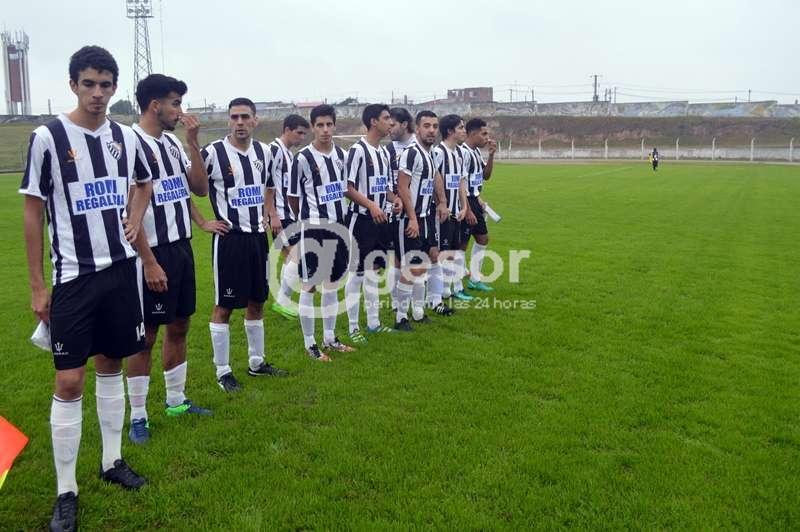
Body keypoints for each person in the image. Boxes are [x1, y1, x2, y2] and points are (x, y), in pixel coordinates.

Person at [21, 45, 153, 531]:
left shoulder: (125, 136)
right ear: (73, 84)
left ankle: (112, 461)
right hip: (74, 277)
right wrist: (38, 285)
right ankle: (66, 490)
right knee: (69, 380)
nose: (97, 93)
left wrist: (135, 218)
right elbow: (33, 212)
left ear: (115, 87)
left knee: (111, 363)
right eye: (89, 83)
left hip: (121, 273)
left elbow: (144, 184)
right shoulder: (48, 137)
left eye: (105, 84)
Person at [124, 74, 221, 444]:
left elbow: (195, 189)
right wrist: (148, 261)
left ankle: (176, 402)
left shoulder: (172, 143)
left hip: (181, 249)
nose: (181, 111)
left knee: (180, 325)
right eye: (176, 103)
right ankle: (138, 417)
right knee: (146, 335)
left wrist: (193, 143)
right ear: (155, 105)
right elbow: (129, 211)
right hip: (151, 252)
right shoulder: (130, 143)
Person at [203, 97, 288, 393]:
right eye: (234, 117)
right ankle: (223, 371)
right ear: (229, 120)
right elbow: (187, 186)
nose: (239, 122)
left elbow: (269, 186)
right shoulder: (212, 153)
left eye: (245, 117)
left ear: (255, 120)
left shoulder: (265, 152)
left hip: (257, 238)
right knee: (224, 306)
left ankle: (256, 362)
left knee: (257, 301)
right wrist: (203, 222)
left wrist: (271, 212)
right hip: (230, 240)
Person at [288, 104, 355, 360]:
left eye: (329, 124)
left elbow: (344, 189)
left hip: (339, 227)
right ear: (313, 127)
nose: (325, 129)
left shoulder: (342, 155)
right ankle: (310, 344)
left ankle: (330, 338)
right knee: (310, 286)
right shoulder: (302, 158)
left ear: (334, 126)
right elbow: (293, 197)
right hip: (314, 229)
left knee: (332, 284)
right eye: (320, 125)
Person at [343, 104, 403, 344]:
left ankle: (374, 323)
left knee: (374, 271)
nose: (391, 123)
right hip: (360, 220)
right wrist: (371, 205)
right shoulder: (357, 151)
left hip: (380, 219)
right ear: (373, 121)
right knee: (357, 273)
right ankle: (353, 328)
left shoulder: (384, 153)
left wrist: (395, 199)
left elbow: (384, 187)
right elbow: (347, 188)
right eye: (386, 118)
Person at [394, 110, 449, 330]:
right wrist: (412, 218)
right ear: (417, 128)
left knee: (423, 266)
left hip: (426, 217)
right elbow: (402, 187)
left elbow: (435, 178)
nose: (431, 130)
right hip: (411, 219)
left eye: (435, 126)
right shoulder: (411, 153)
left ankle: (418, 313)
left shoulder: (430, 153)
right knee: (412, 268)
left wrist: (442, 201)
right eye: (426, 126)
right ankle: (400, 317)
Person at [265, 114, 310, 320]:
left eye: (304, 134)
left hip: (288, 214)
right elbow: (266, 184)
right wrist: (272, 214)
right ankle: (282, 301)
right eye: (299, 133)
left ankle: (283, 302)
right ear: (287, 130)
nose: (302, 137)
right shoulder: (274, 151)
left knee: (289, 258)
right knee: (297, 257)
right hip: (280, 215)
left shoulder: (289, 154)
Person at [431, 114, 469, 310]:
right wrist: (440, 204)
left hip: (456, 212)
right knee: (440, 253)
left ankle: (447, 289)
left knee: (452, 251)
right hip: (442, 213)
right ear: (449, 131)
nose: (464, 131)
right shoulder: (438, 152)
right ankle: (439, 292)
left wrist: (464, 207)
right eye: (461, 127)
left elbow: (461, 182)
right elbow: (432, 180)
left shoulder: (459, 154)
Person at [459, 118, 497, 293]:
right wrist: (467, 209)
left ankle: (474, 279)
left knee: (482, 238)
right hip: (465, 201)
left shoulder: (475, 152)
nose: (487, 137)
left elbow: (485, 176)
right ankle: (456, 284)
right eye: (484, 134)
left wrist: (491, 155)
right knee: (462, 244)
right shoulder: (463, 153)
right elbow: (460, 183)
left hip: (474, 200)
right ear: (473, 133)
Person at [384, 107, 415, 309]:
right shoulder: (388, 149)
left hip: (417, 211)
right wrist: (395, 198)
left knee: (416, 258)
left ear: (404, 124)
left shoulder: (418, 146)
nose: (389, 127)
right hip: (394, 210)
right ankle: (398, 303)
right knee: (395, 257)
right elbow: (385, 181)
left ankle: (415, 302)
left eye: (393, 124)